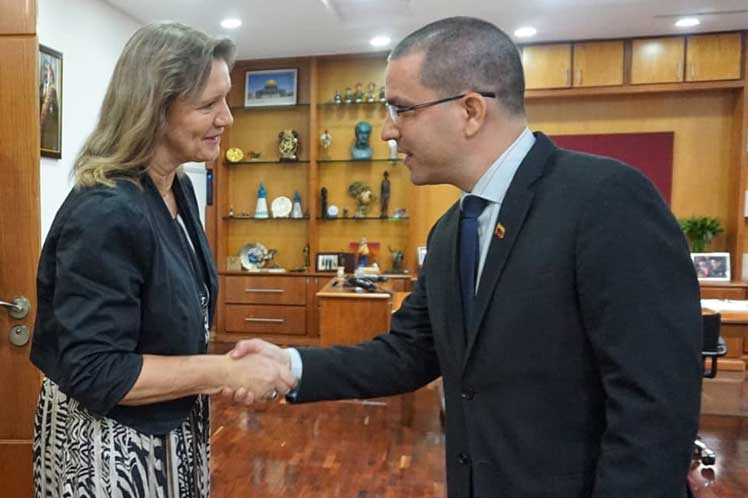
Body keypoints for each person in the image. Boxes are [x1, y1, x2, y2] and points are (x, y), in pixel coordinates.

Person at [229, 17, 703, 498]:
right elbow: (409, 353)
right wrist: (290, 365)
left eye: (402, 109)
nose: (389, 131)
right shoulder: (451, 232)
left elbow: (654, 408)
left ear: (471, 110)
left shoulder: (606, 200)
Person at [30, 22, 295, 498]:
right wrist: (223, 372)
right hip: (108, 451)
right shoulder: (105, 211)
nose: (228, 118)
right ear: (155, 109)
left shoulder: (179, 187)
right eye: (209, 104)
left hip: (169, 427)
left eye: (226, 99)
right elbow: (98, 370)